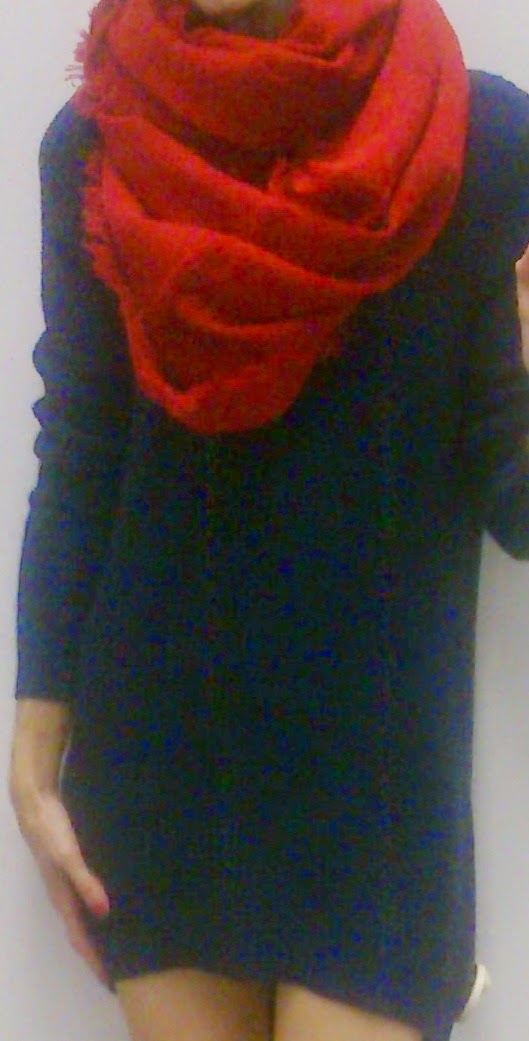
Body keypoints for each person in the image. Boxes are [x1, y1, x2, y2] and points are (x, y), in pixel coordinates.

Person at [7, 1, 529, 1039]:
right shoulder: (101, 140)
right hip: (159, 765)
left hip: (377, 783)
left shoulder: (474, 140)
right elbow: (82, 453)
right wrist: (32, 748)